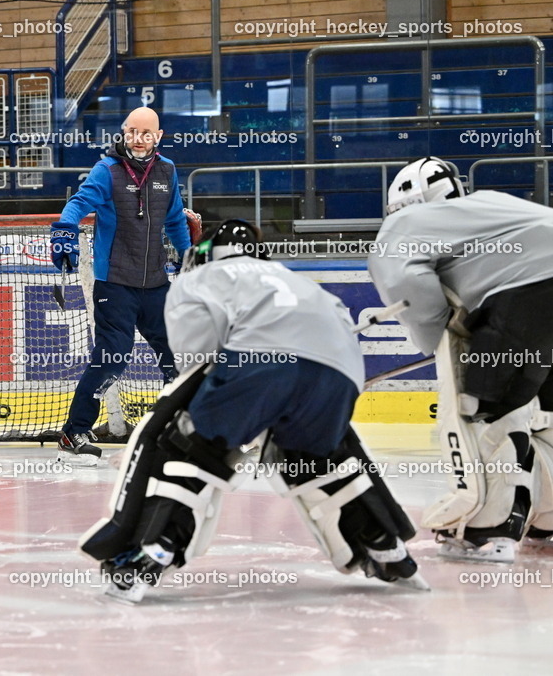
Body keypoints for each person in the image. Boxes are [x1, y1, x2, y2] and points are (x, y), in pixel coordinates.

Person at [80, 220, 425, 603]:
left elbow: (197, 363)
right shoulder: (295, 280)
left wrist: (235, 411)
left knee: (189, 447)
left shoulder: (196, 280)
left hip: (257, 364)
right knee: (317, 457)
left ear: (203, 255)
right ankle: (384, 546)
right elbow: (339, 336)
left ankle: (150, 552)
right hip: (339, 375)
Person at [369, 156, 553, 563]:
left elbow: (402, 281)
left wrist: (436, 336)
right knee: (546, 415)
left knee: (485, 411)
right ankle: (548, 521)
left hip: (526, 297)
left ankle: (488, 532)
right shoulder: (489, 206)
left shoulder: (406, 222)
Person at [50, 106, 199, 465]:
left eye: (146, 133)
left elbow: (175, 220)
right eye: (132, 131)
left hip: (156, 283)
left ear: (158, 136)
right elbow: (78, 203)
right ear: (124, 132)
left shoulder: (167, 170)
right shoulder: (107, 170)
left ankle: (183, 430)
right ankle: (74, 433)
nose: (138, 138)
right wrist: (64, 230)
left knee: (178, 355)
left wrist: (189, 259)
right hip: (114, 284)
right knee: (112, 357)